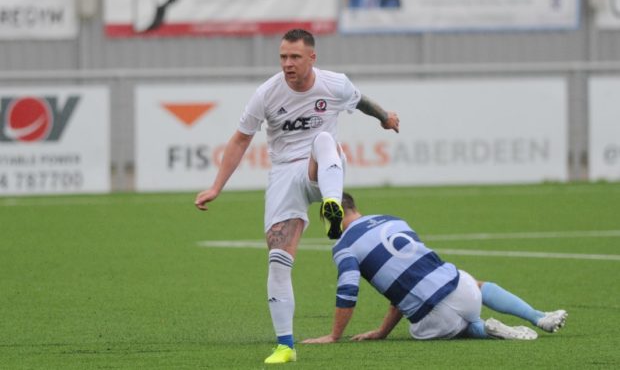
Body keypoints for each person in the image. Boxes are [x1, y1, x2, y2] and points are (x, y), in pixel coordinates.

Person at [194, 29, 400, 364]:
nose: (287, 64)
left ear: (311, 58)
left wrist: (385, 117)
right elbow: (240, 140)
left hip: (321, 168)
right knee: (277, 262)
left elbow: (360, 101)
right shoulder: (266, 93)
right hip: (284, 175)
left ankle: (331, 204)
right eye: (283, 57)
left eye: (295, 57)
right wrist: (216, 186)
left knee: (323, 139)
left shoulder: (334, 83)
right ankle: (285, 346)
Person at [303, 193, 568, 344]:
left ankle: (483, 328)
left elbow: (348, 291)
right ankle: (537, 315)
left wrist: (334, 335)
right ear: (354, 207)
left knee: (454, 324)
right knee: (477, 284)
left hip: (433, 319)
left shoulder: (344, 246)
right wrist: (382, 332)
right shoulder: (394, 220)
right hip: (462, 289)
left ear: (330, 221)